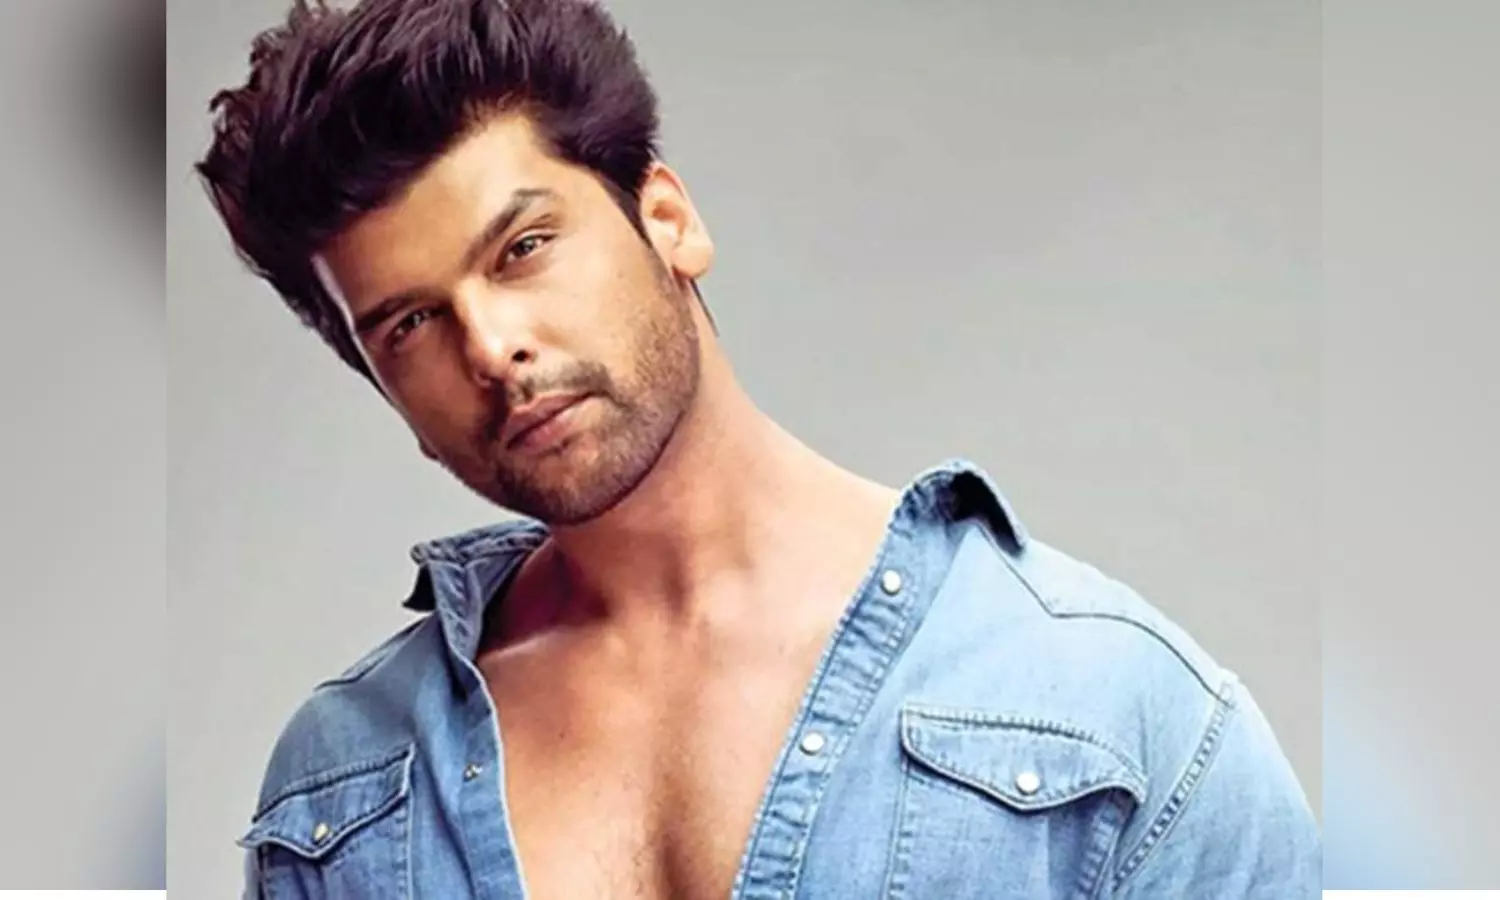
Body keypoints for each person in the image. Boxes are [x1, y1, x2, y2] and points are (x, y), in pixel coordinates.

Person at [197, 1, 1320, 897]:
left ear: (668, 220)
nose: (491, 349)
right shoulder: (343, 792)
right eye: (409, 324)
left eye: (524, 247)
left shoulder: (1113, 715)